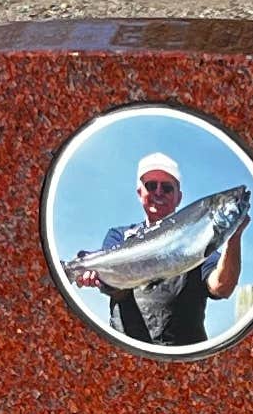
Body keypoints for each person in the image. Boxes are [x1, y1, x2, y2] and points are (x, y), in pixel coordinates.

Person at [83, 149, 244, 348]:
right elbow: (118, 291)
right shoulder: (119, 237)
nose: (158, 192)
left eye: (167, 188)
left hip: (182, 358)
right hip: (126, 353)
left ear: (178, 197)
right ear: (140, 192)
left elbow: (222, 287)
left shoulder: (198, 243)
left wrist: (233, 238)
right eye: (151, 185)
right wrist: (97, 277)